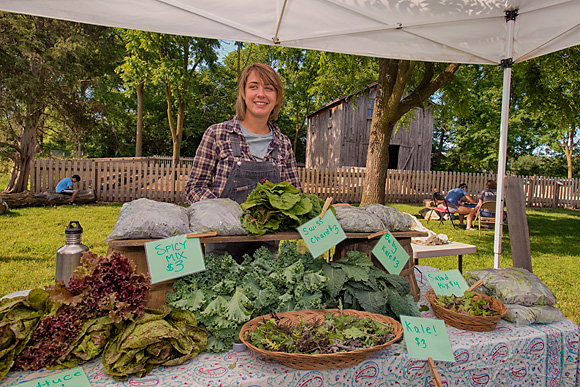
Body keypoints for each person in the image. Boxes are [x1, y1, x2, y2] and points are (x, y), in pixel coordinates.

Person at [184, 63, 301, 262]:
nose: (261, 94)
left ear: (277, 97)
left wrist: (324, 213)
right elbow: (194, 187)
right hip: (221, 246)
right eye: (254, 86)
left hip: (267, 250)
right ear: (243, 93)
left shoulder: (283, 143)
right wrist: (227, 213)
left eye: (269, 88)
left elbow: (295, 196)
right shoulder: (217, 134)